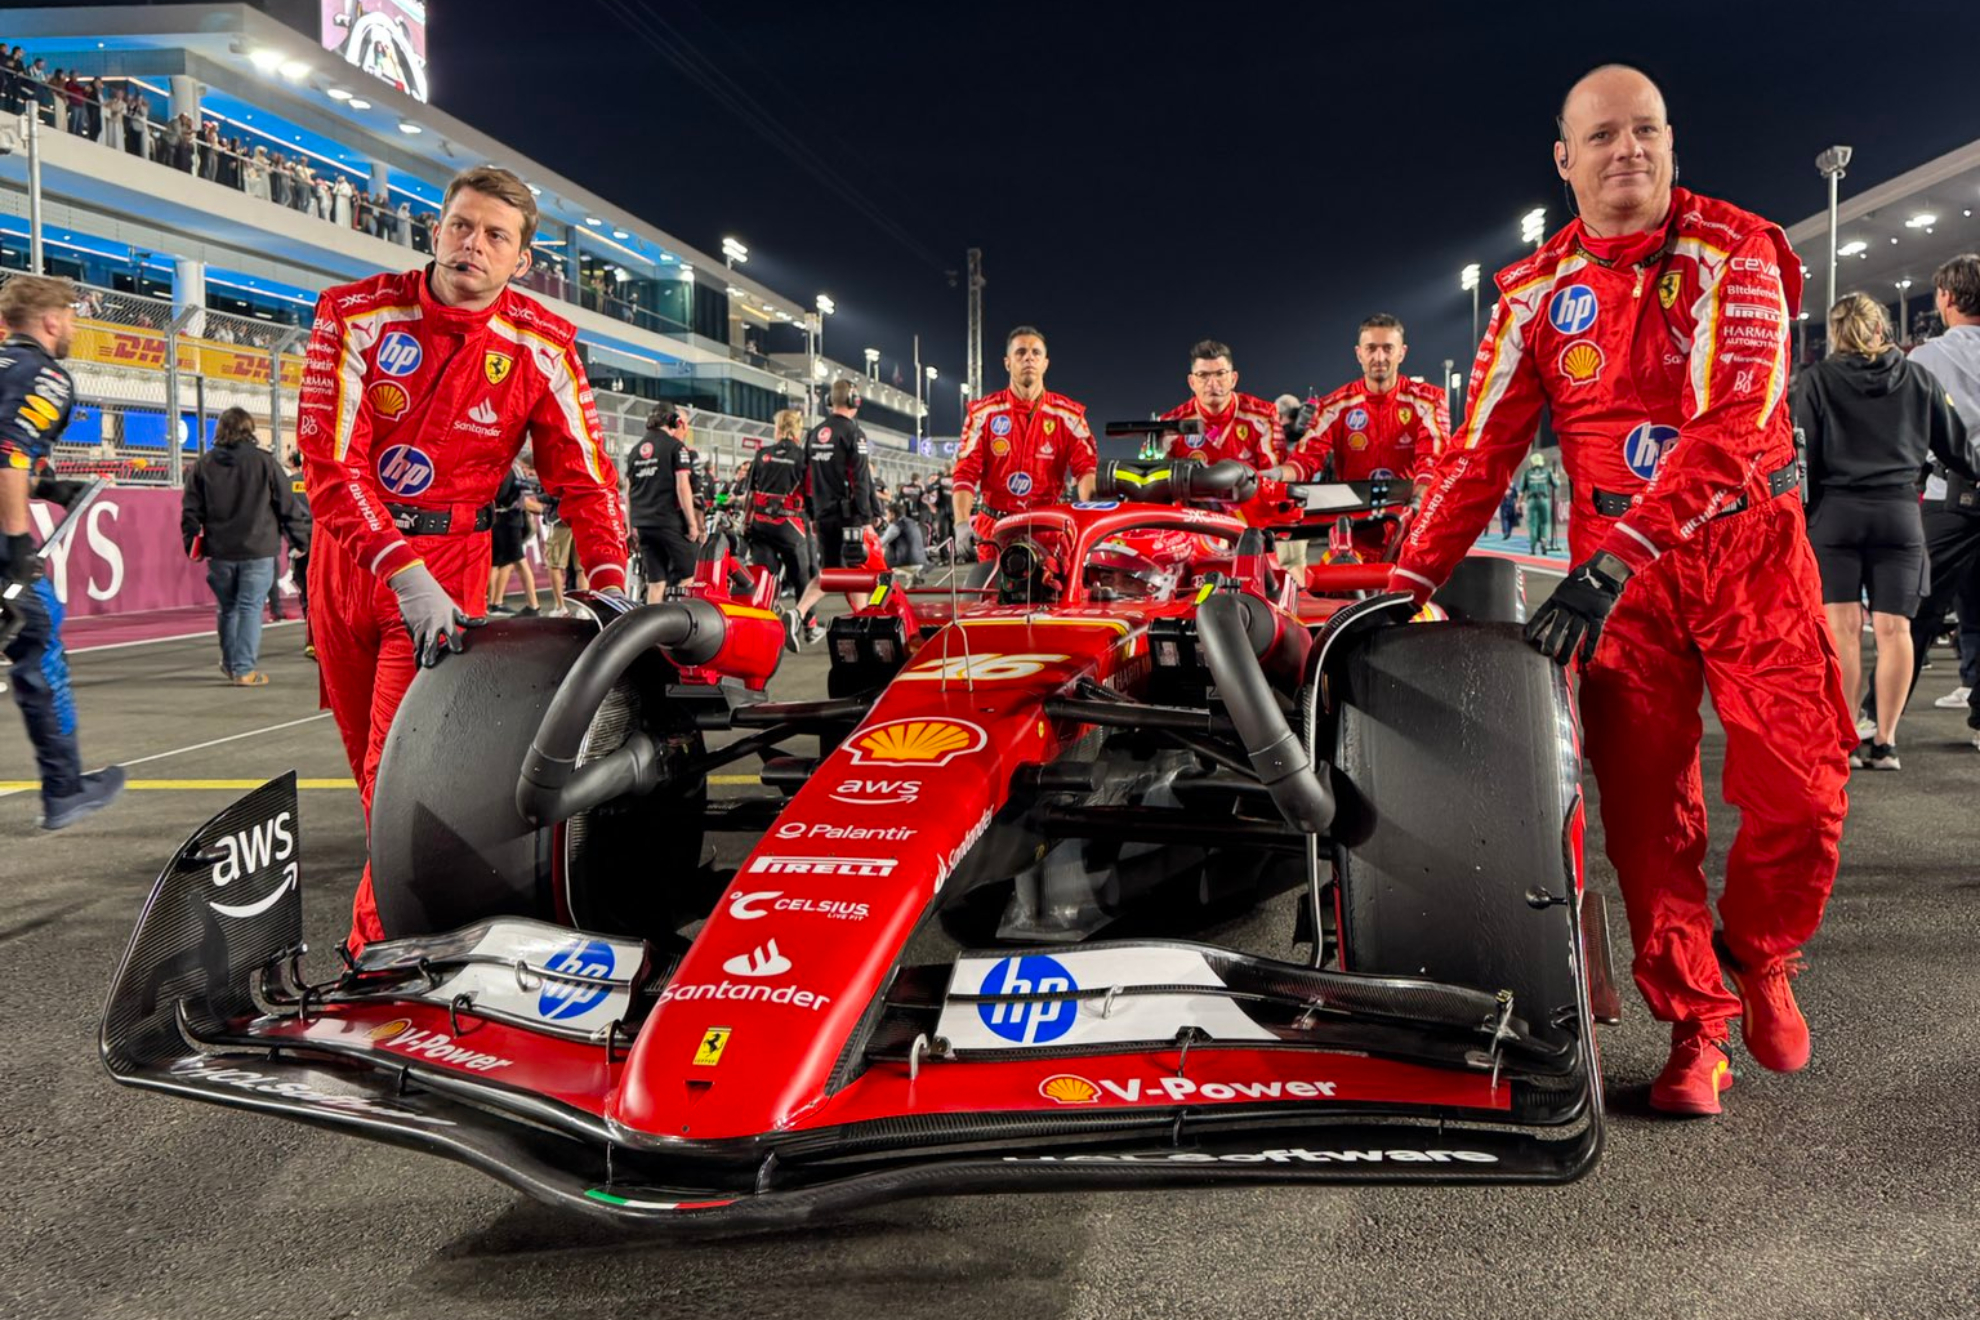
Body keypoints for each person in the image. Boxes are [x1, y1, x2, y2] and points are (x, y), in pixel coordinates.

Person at [1388, 65, 1855, 1117]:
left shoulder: (1741, 251)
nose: (1627, 152)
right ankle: (1697, 1027)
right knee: (1649, 818)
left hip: (1747, 556)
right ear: (1565, 160)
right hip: (1619, 584)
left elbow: (1736, 426)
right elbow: (1479, 454)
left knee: (1807, 786)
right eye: (1602, 137)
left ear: (1673, 142)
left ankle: (1765, 951)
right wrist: (1405, 581)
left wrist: (1614, 559)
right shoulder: (1530, 292)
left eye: (1646, 131)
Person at [297, 165, 628, 954]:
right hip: (351, 562)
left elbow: (586, 480)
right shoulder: (354, 311)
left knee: (397, 776)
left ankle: (376, 958)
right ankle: (402, 928)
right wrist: (398, 570)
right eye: (461, 226)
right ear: (436, 229)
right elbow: (328, 465)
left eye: (495, 236)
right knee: (368, 772)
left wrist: (611, 586)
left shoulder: (543, 343)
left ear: (521, 259)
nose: (472, 245)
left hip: (452, 564)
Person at [1793, 293, 1973, 772]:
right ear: (1881, 330)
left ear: (1836, 333)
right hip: (1898, 513)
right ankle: (1886, 743)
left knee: (1843, 631)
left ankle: (1846, 738)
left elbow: (1801, 459)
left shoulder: (1816, 381)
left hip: (1836, 516)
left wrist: (1806, 516)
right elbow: (1956, 450)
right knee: (1896, 631)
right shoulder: (1916, 377)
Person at [0, 274, 127, 829]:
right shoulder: (45, 374)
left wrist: (47, 488)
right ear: (50, 321)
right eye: (71, 317)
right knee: (40, 636)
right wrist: (16, 547)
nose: (73, 326)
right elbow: (8, 453)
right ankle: (65, 786)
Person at [1903, 253, 1980, 746]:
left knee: (1917, 609)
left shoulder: (1925, 357)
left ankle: (1875, 716)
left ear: (1946, 298)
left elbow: (1911, 434)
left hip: (1947, 495)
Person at [951, 326, 1097, 579]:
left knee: (1050, 607)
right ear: (1007, 363)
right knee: (992, 607)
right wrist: (961, 524)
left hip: (1048, 529)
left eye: (1035, 353)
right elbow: (964, 473)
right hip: (994, 530)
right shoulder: (982, 413)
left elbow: (1086, 471)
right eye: (1020, 352)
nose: (1028, 358)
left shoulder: (1069, 415)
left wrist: (1088, 523)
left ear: (1045, 363)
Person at [180, 407, 306, 686]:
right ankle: (244, 669)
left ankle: (229, 663)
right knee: (250, 607)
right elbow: (287, 506)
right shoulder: (265, 463)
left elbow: (190, 511)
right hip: (258, 549)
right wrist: (301, 541)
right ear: (250, 430)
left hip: (220, 551)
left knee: (227, 608)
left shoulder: (204, 465)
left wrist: (192, 544)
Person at [1274, 314, 1449, 492]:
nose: (1379, 358)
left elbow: (1434, 461)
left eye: (1388, 348)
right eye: (1371, 349)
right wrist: (1276, 475)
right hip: (1353, 513)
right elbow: (1305, 460)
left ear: (1402, 353)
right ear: (1359, 354)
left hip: (1410, 507)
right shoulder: (1334, 406)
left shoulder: (1429, 400)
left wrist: (1419, 501)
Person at [745, 408, 827, 648]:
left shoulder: (762, 454)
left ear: (779, 428)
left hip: (760, 526)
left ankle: (761, 630)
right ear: (798, 429)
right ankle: (809, 626)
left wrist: (746, 524)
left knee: (764, 578)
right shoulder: (803, 458)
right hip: (791, 527)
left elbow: (749, 495)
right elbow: (811, 496)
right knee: (803, 577)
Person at [1158, 340, 1281, 468]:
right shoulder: (1168, 425)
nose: (1212, 383)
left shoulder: (1264, 415)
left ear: (1233, 379)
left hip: (1249, 488)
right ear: (1192, 382)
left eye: (1220, 374)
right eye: (1203, 375)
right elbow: (1152, 480)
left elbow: (1273, 479)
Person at [625, 405, 701, 600]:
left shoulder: (635, 451)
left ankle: (655, 628)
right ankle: (680, 626)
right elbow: (683, 486)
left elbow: (628, 492)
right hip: (669, 523)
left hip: (643, 525)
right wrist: (692, 524)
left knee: (656, 583)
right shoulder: (676, 447)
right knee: (691, 576)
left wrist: (630, 527)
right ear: (675, 422)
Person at [806, 379, 878, 570]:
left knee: (828, 572)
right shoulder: (854, 433)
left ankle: (804, 602)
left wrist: (811, 514)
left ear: (830, 400)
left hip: (821, 514)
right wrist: (867, 519)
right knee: (858, 570)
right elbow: (861, 479)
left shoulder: (813, 433)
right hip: (848, 516)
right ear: (854, 401)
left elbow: (806, 477)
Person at [486, 460, 541, 616]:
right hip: (508, 521)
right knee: (501, 562)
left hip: (506, 521)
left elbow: (501, 495)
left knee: (517, 562)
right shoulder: (512, 471)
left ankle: (533, 605)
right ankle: (494, 603)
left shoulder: (508, 471)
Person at [1518, 453, 1559, 555]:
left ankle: (1532, 548)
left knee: (1532, 524)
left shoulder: (1527, 473)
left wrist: (1518, 503)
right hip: (1544, 500)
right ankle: (1544, 542)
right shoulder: (1547, 472)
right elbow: (1556, 485)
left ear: (1532, 463)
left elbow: (1521, 491)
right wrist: (1556, 477)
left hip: (1532, 501)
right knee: (1544, 523)